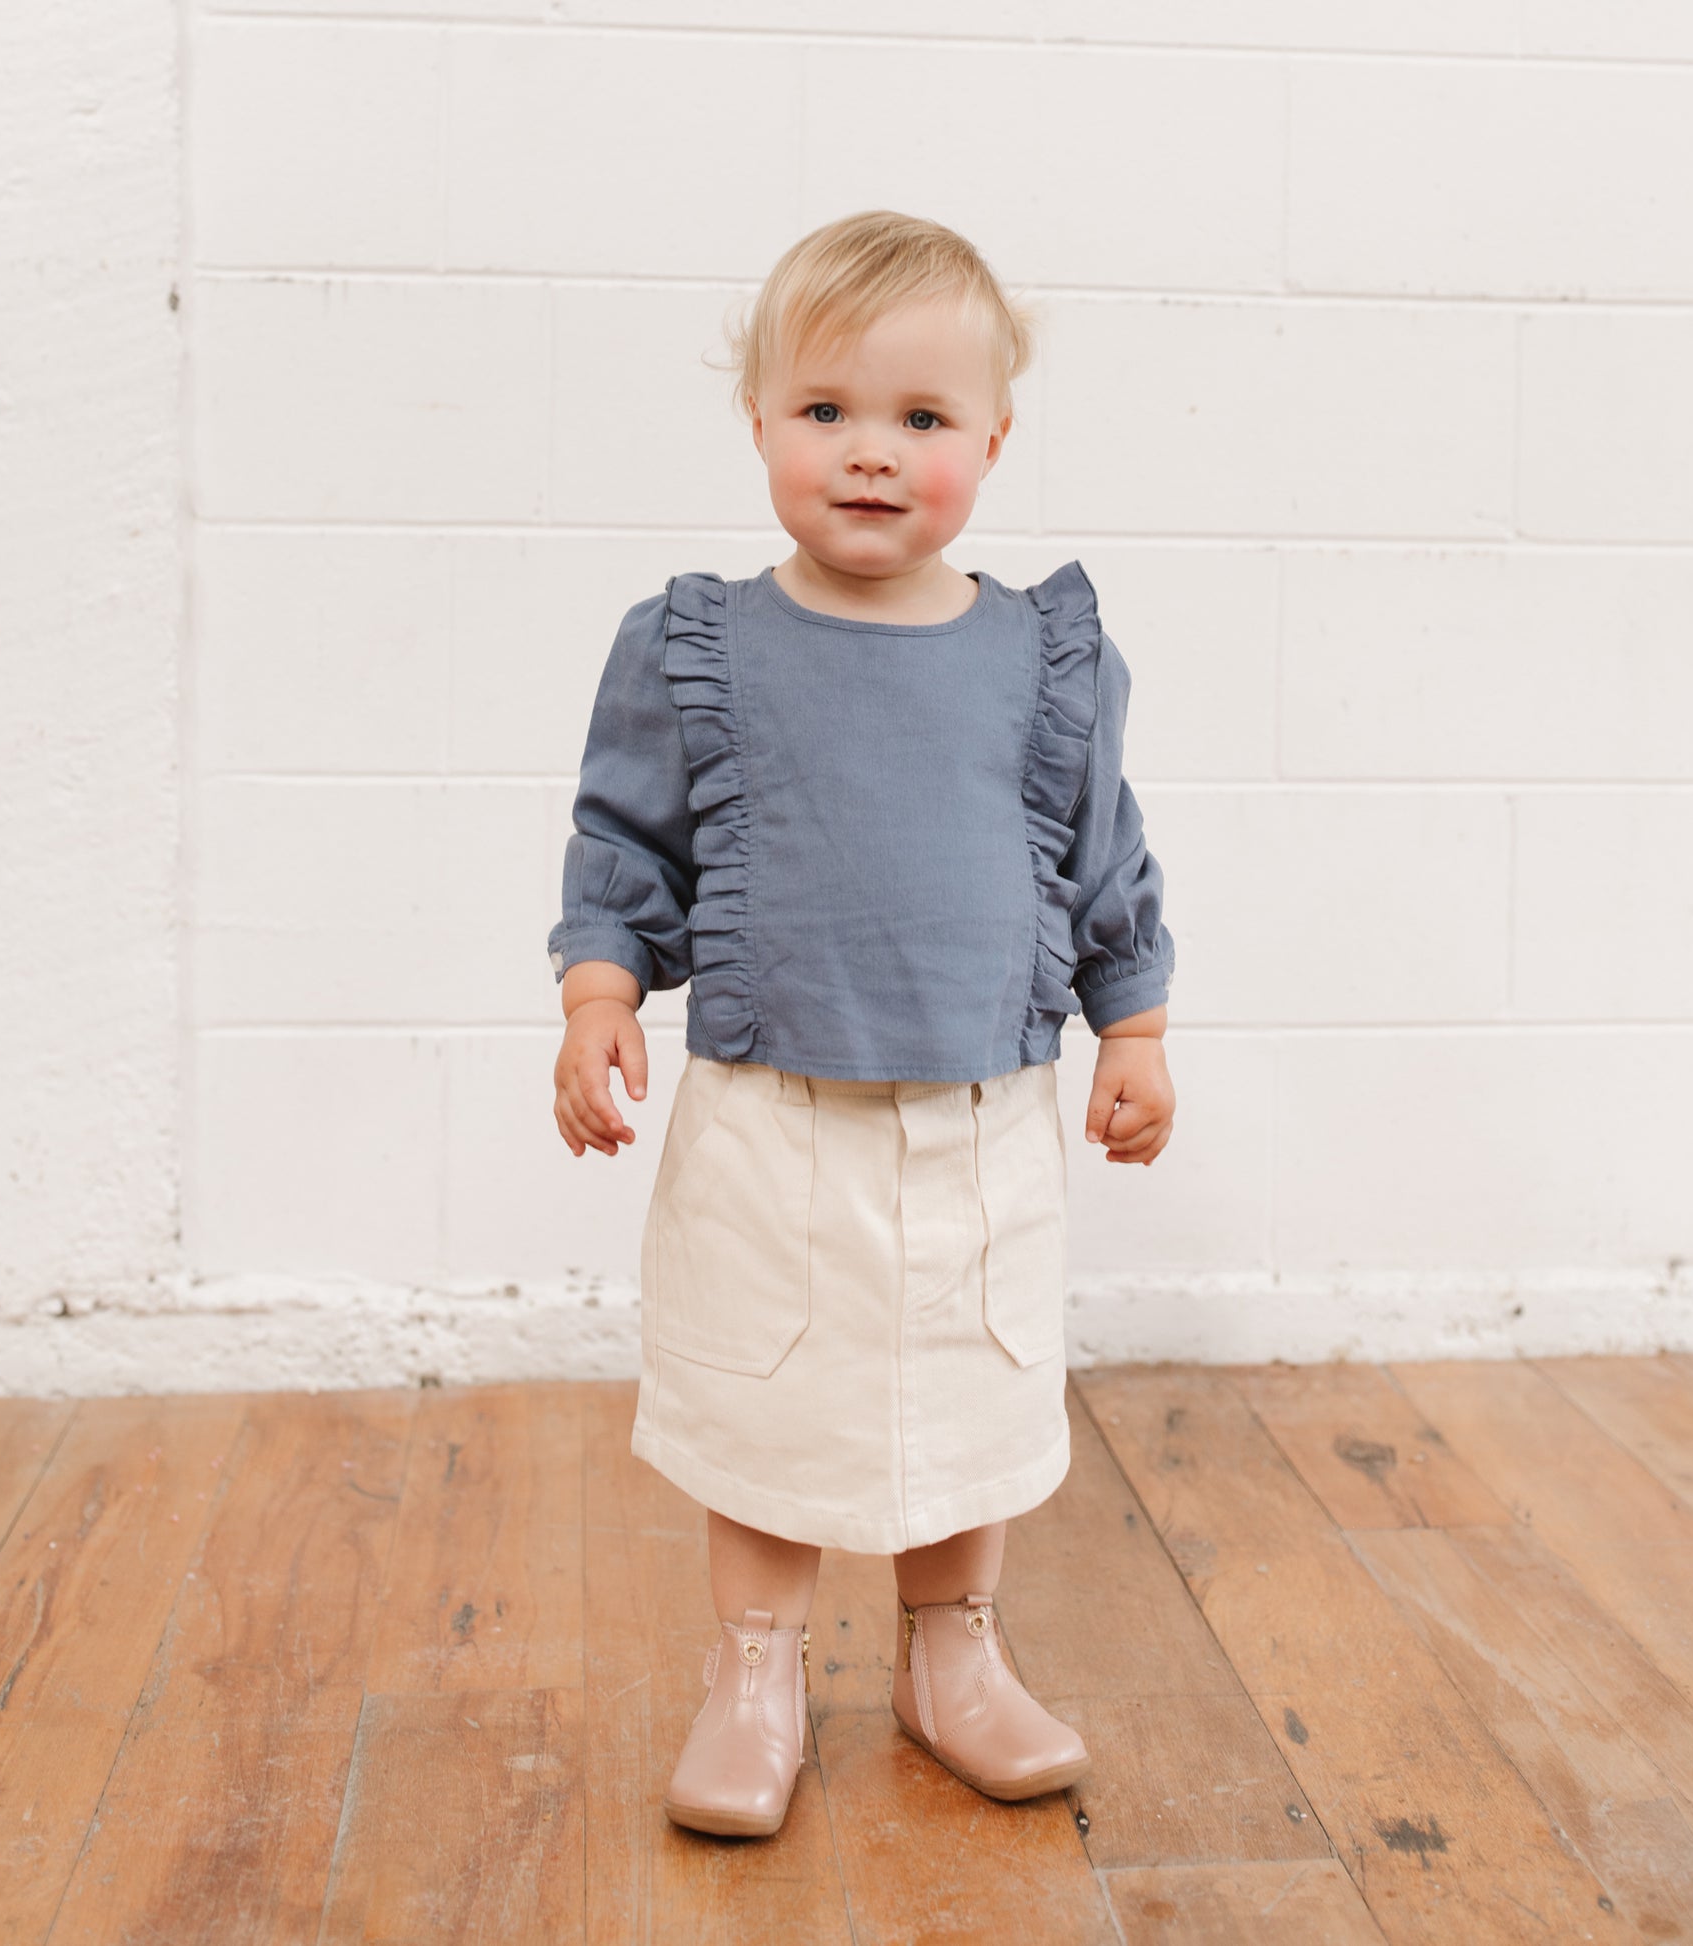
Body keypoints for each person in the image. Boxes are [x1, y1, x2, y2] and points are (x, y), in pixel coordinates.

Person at [546, 210, 1177, 1839]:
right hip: (772, 1105)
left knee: (965, 1390)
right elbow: (625, 846)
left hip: (977, 1108)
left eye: (920, 419)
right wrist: (600, 992)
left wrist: (1135, 1027)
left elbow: (1100, 855)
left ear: (991, 436)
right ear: (756, 422)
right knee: (770, 1396)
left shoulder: (1043, 656)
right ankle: (752, 1668)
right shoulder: (698, 643)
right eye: (823, 411)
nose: (872, 455)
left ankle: (947, 1652)